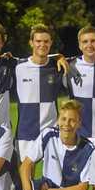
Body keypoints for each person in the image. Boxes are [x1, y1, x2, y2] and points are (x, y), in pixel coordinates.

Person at [0, 23, 68, 130]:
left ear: (2, 43)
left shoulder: (9, 63)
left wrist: (58, 56)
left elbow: (37, 58)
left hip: (4, 130)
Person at [20, 99, 93, 190]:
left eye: (72, 120)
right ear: (58, 120)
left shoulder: (88, 148)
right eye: (63, 119)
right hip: (47, 188)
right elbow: (26, 165)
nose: (66, 124)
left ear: (79, 123)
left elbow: (82, 189)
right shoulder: (48, 135)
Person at [14, 23, 65, 162]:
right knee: (25, 176)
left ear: (51, 43)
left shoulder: (57, 66)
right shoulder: (17, 66)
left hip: (51, 131)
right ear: (31, 43)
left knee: (53, 178)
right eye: (38, 41)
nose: (42, 44)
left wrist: (59, 57)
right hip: (25, 132)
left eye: (46, 41)